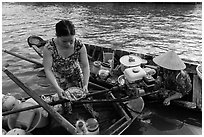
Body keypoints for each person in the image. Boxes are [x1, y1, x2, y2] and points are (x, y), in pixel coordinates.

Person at [43, 19, 90, 100]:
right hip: (60, 78)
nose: (68, 44)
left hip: (76, 75)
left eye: (71, 41)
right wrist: (57, 88)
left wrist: (85, 84)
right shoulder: (49, 48)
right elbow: (48, 70)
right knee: (64, 100)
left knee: (81, 98)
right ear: (57, 36)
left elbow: (85, 66)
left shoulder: (79, 45)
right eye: (64, 41)